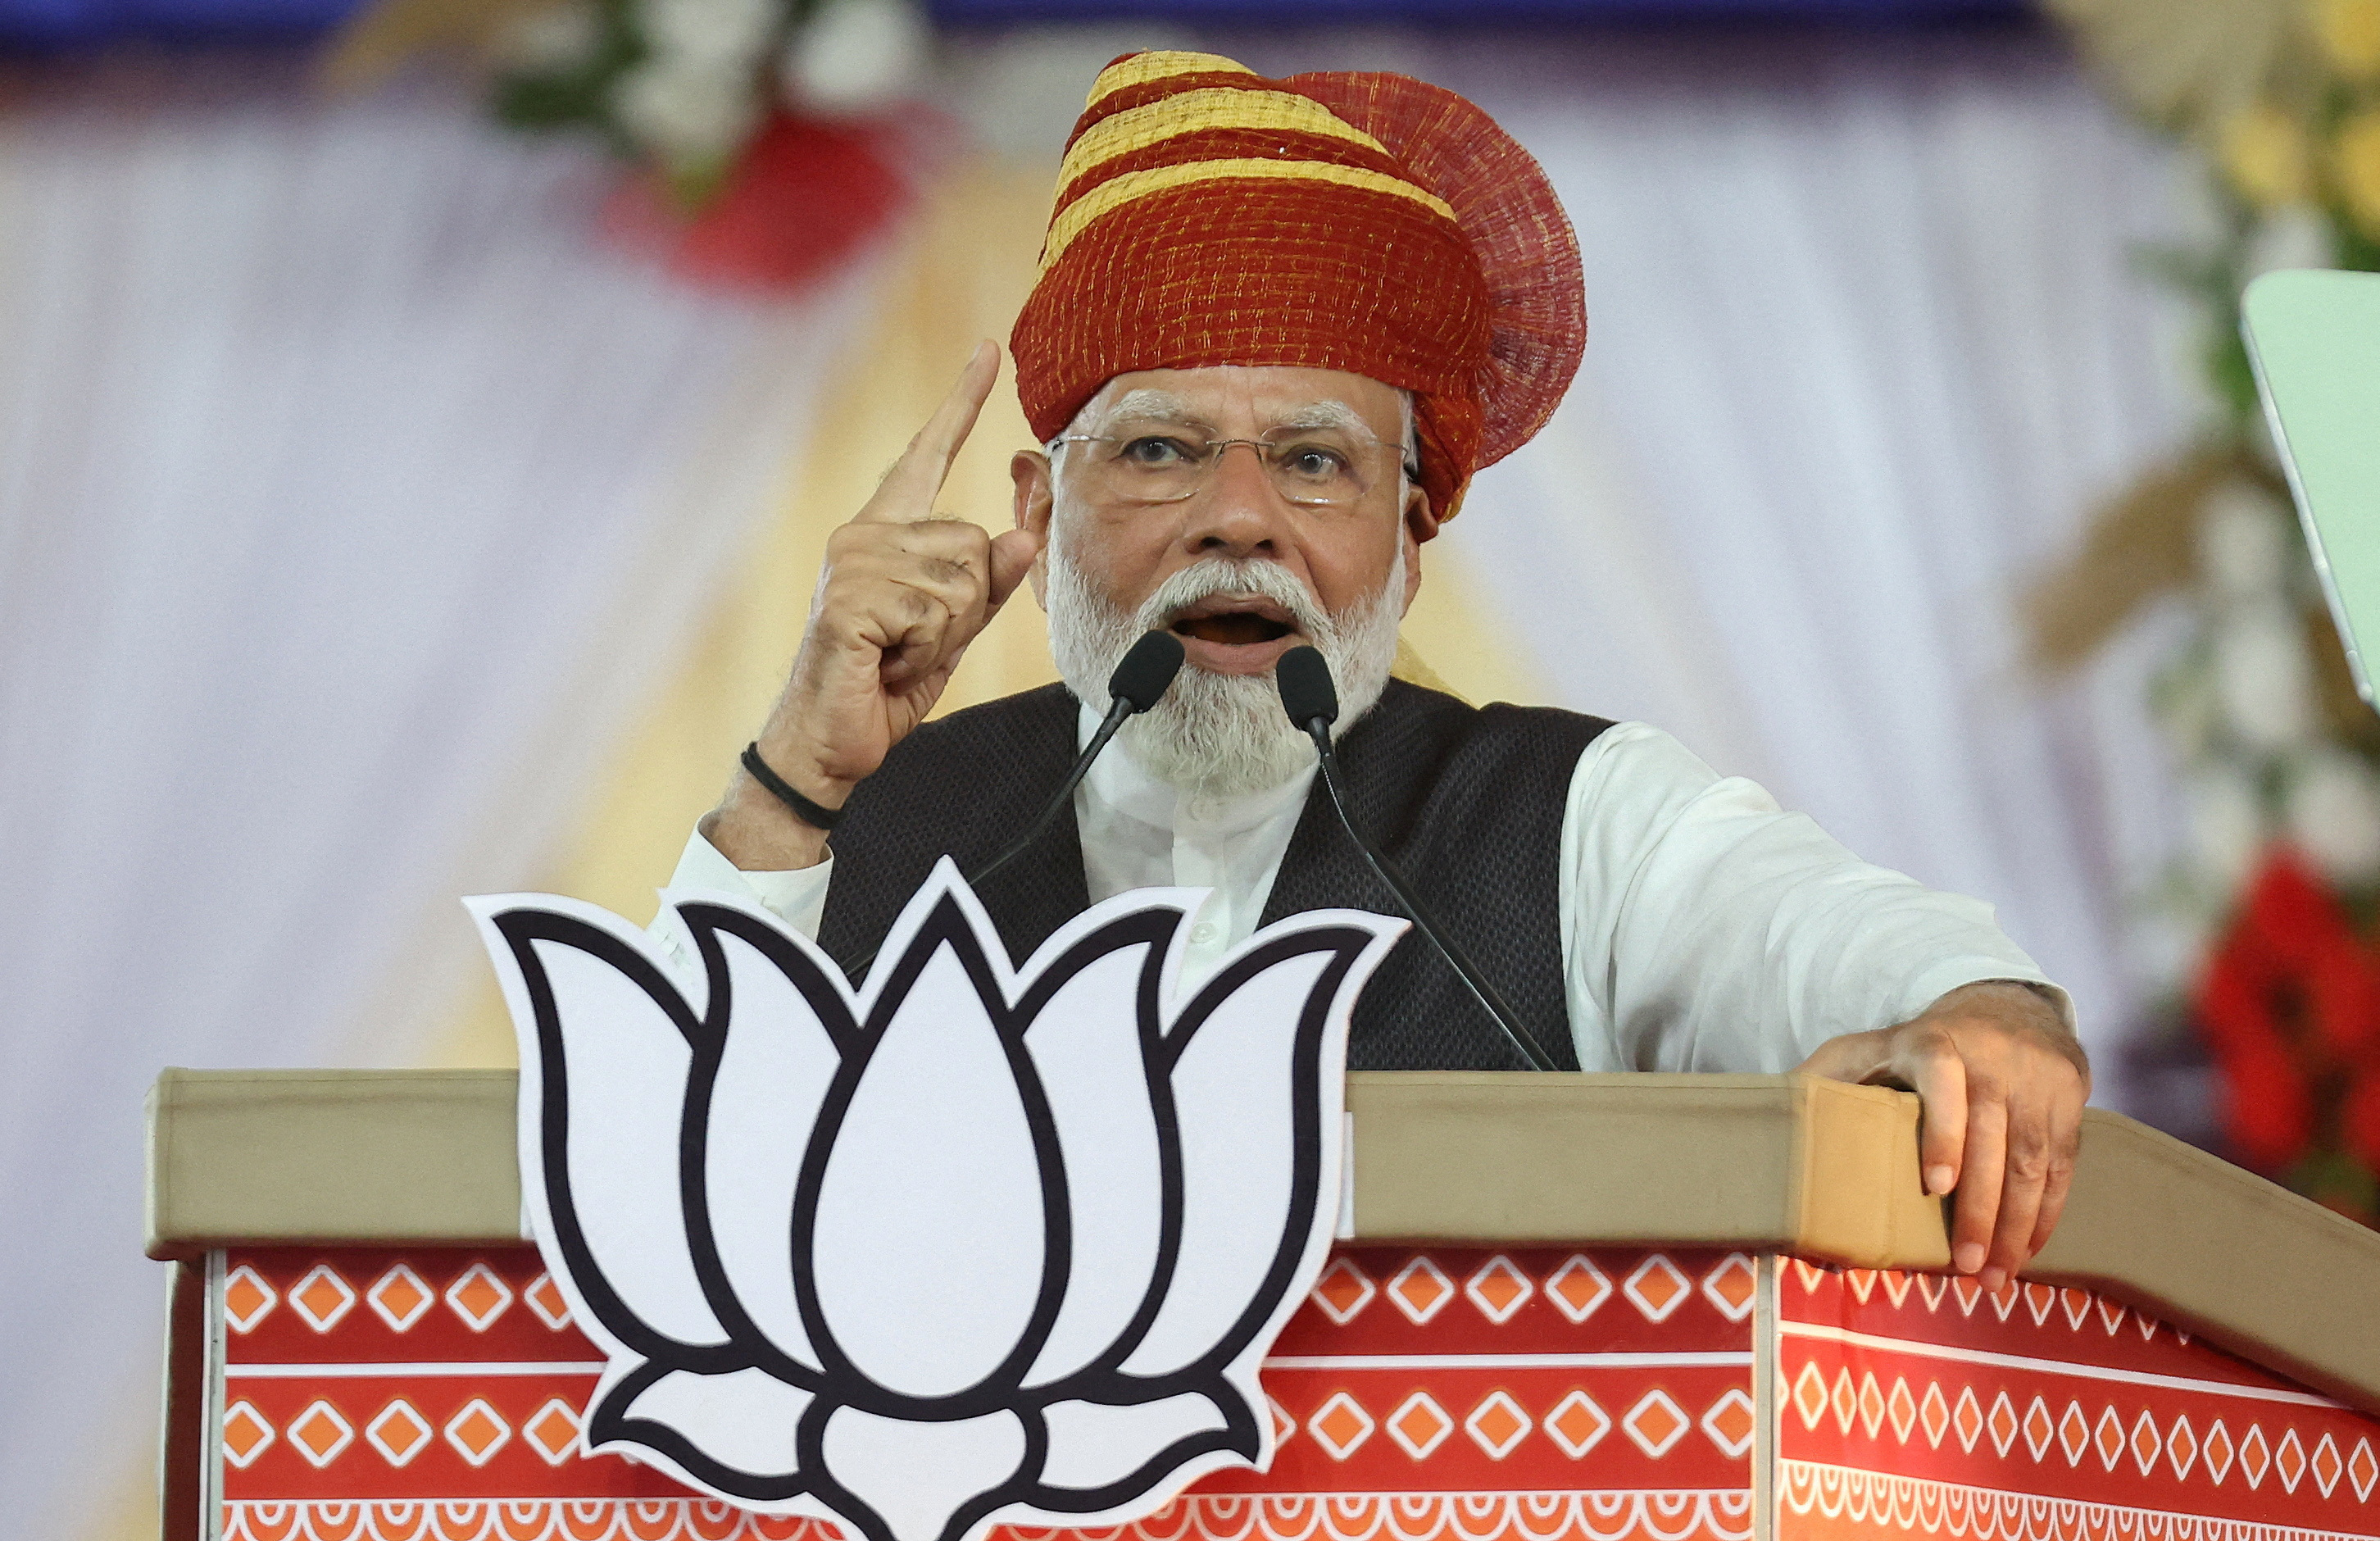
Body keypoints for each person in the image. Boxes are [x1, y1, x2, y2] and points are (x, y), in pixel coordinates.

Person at [667, 50, 2089, 1293]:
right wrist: (794, 780)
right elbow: (643, 1200)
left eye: (1313, 462)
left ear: (1409, 548)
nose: (1239, 517)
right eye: (1160, 450)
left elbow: (1859, 952)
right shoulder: (867, 821)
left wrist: (1983, 1016)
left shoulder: (1569, 821)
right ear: (1038, 515)